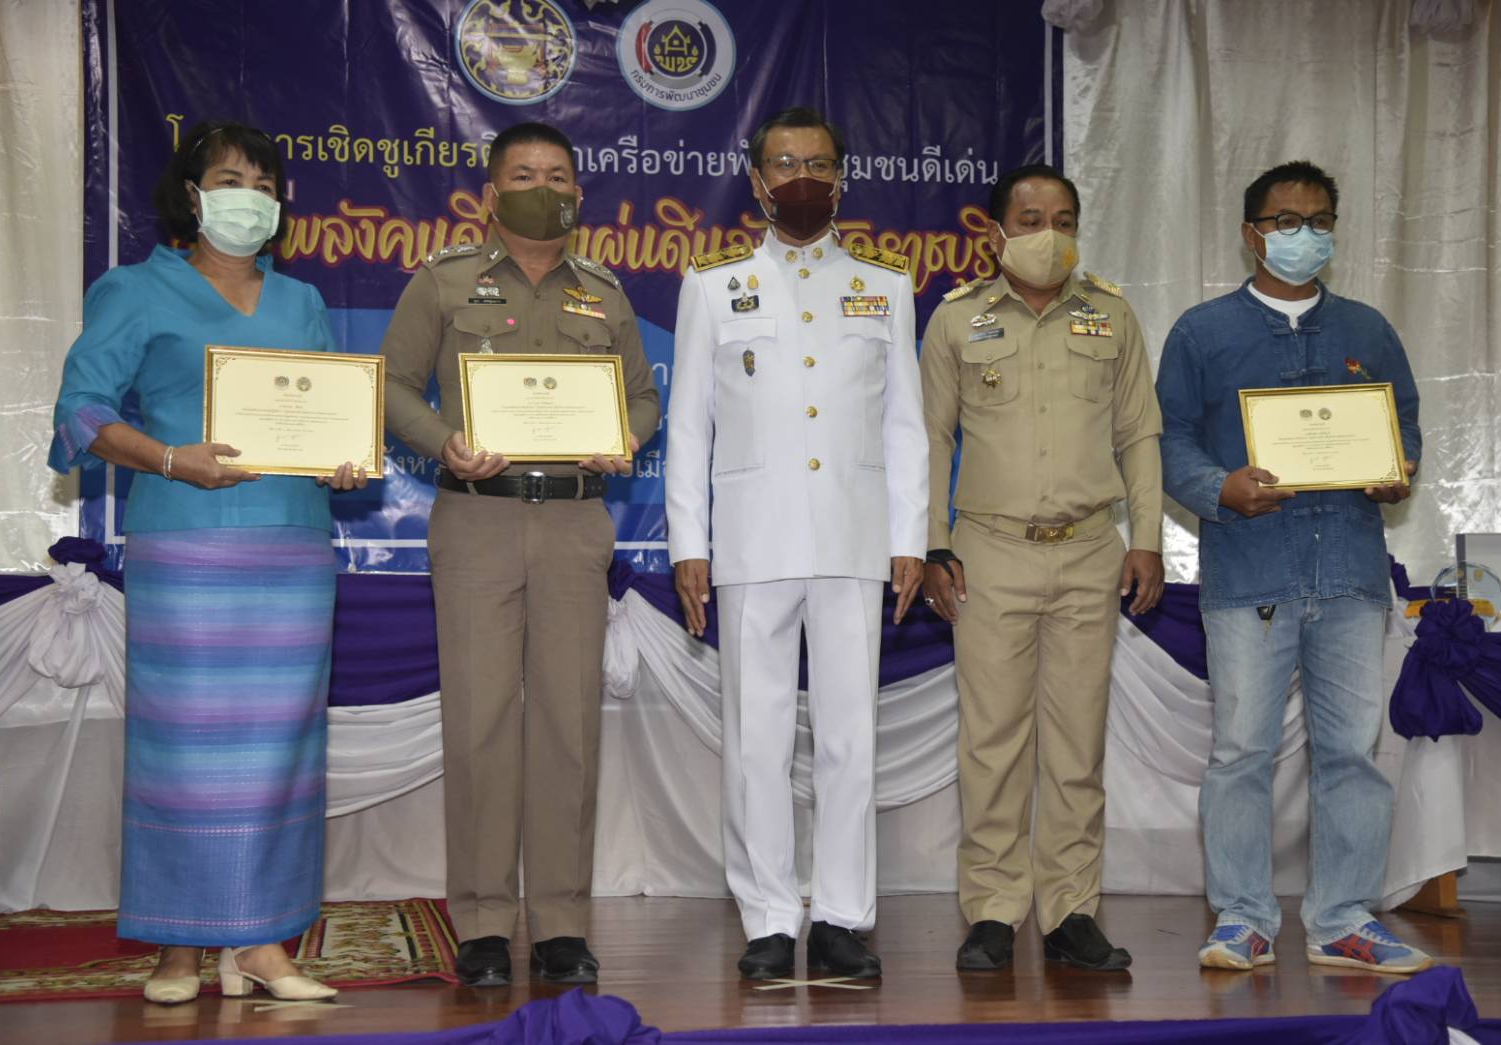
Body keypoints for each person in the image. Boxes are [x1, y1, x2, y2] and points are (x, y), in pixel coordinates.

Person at [49, 120, 366, 1004]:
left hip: (294, 544)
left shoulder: (301, 301)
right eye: (232, 179)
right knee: (182, 753)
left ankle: (265, 945)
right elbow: (81, 410)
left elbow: (331, 412)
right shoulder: (135, 289)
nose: (250, 198)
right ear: (193, 194)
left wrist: (344, 456)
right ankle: (177, 950)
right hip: (185, 543)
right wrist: (167, 456)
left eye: (265, 184)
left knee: (281, 750)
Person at [380, 121, 658, 987]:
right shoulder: (444, 280)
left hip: (576, 522)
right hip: (476, 519)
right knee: (480, 722)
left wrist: (624, 437)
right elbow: (389, 382)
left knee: (570, 725)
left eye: (560, 176)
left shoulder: (605, 293)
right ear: (491, 195)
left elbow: (644, 396)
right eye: (525, 174)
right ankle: (485, 923)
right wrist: (443, 442)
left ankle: (564, 922)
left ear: (579, 195)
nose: (546, 187)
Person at [666, 106, 928, 981]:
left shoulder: (885, 284)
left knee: (852, 736)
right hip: (749, 540)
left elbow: (904, 425)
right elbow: (686, 430)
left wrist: (909, 537)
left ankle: (846, 917)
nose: (800, 176)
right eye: (783, 163)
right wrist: (687, 545)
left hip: (854, 541)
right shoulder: (713, 283)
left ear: (842, 175)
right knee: (757, 738)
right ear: (756, 180)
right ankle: (770, 917)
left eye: (816, 161)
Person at [1156, 160, 1429, 975]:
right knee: (1239, 751)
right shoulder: (1201, 332)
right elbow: (1166, 439)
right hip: (1249, 574)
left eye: (1316, 220)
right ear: (1250, 233)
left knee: (1350, 751)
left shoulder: (1366, 330)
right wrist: (1217, 486)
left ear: (1333, 232)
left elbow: (1403, 424)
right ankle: (1242, 917)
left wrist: (1396, 467)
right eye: (1283, 220)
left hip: (1347, 569)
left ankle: (1343, 918)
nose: (1300, 234)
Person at [920, 165, 1162, 974]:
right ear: (995, 231)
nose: (1046, 232)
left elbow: (1139, 436)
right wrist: (931, 543)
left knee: (1075, 743)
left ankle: (1070, 911)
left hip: (1091, 548)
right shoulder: (956, 320)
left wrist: (1149, 538)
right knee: (990, 741)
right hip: (988, 550)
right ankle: (991, 910)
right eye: (1028, 218)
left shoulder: (1111, 315)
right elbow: (930, 441)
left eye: (1062, 218)